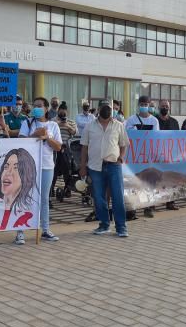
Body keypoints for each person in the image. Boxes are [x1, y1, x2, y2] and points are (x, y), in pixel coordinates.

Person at [80, 99, 129, 237]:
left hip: (114, 165)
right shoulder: (90, 126)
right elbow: (84, 147)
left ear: (112, 109)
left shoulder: (119, 125)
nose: (106, 109)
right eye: (103, 107)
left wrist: (122, 157)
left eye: (108, 107)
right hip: (95, 167)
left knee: (118, 197)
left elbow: (123, 143)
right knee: (99, 198)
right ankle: (104, 225)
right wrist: (82, 166)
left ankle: (121, 227)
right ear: (99, 108)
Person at [17, 96, 62, 243]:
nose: (36, 108)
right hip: (29, 166)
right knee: (25, 196)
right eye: (34, 105)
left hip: (47, 165)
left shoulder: (53, 126)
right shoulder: (27, 123)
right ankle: (20, 231)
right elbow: (20, 142)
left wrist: (47, 137)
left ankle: (45, 229)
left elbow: (58, 147)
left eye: (39, 106)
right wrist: (34, 135)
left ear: (46, 108)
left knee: (44, 199)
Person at [125, 95, 160, 218]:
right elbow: (126, 137)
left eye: (146, 104)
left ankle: (148, 207)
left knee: (149, 182)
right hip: (134, 157)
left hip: (148, 157)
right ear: (138, 105)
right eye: (142, 104)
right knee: (133, 182)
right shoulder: (130, 120)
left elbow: (156, 138)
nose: (144, 106)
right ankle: (131, 208)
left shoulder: (154, 121)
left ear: (149, 105)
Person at [156, 99, 181, 209]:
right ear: (158, 107)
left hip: (171, 155)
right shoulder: (154, 120)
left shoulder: (174, 122)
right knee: (156, 179)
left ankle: (170, 202)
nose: (165, 108)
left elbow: (179, 138)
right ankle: (152, 205)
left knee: (171, 179)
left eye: (166, 106)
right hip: (157, 155)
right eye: (163, 106)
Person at [53, 103, 78, 198]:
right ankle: (51, 190)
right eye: (61, 111)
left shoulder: (71, 122)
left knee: (67, 171)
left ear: (67, 112)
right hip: (55, 148)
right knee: (54, 171)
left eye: (64, 111)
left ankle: (68, 189)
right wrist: (58, 124)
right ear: (58, 111)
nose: (63, 113)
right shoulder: (53, 121)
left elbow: (75, 132)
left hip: (66, 149)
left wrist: (67, 126)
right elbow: (50, 131)